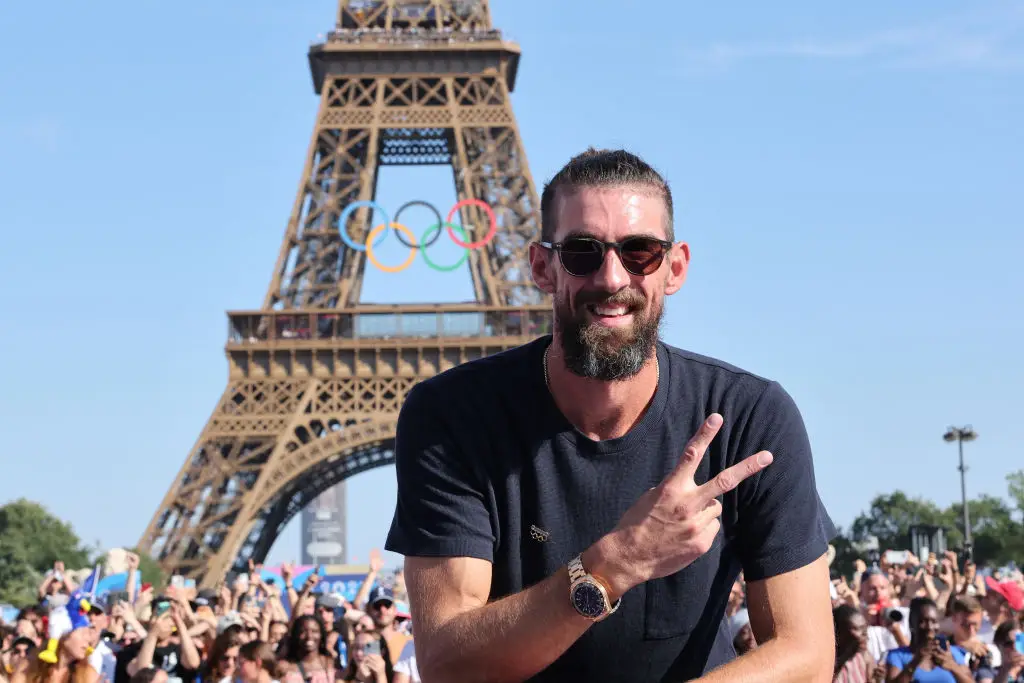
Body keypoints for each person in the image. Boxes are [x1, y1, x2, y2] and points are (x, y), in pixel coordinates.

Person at [385, 147, 836, 682]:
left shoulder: (751, 416)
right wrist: (616, 563)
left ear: (675, 267)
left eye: (640, 251)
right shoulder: (451, 417)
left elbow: (807, 656)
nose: (612, 276)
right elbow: (447, 664)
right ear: (541, 267)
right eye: (582, 252)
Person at [884, 598, 973, 683]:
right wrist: (915, 661)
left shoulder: (952, 653)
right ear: (912, 623)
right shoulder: (897, 656)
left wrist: (953, 666)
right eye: (923, 621)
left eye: (934, 622)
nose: (930, 627)